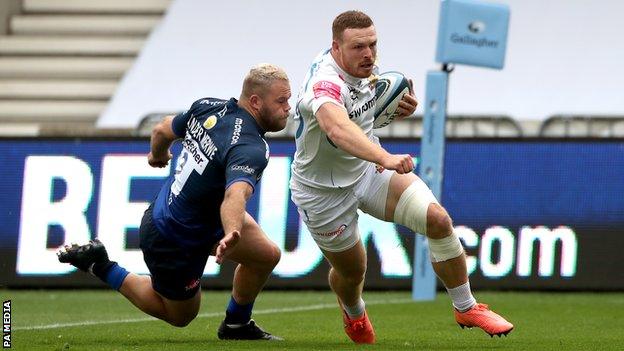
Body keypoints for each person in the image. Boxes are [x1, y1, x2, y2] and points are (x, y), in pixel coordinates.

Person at [290, 10, 514, 344]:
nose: (368, 54)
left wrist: (394, 108)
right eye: (358, 47)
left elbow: (366, 113)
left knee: (437, 220)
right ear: (335, 48)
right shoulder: (325, 83)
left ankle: (466, 306)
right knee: (353, 272)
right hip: (322, 191)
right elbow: (336, 128)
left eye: (373, 44)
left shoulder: (366, 68)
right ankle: (353, 312)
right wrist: (386, 156)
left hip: (368, 171)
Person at [57, 63, 291, 341]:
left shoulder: (208, 106)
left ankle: (236, 325)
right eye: (281, 101)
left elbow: (162, 130)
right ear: (255, 101)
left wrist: (157, 155)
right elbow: (235, 195)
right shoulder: (251, 147)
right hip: (173, 235)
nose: (288, 107)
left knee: (266, 256)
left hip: (202, 218)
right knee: (180, 316)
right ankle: (101, 264)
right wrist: (231, 232)